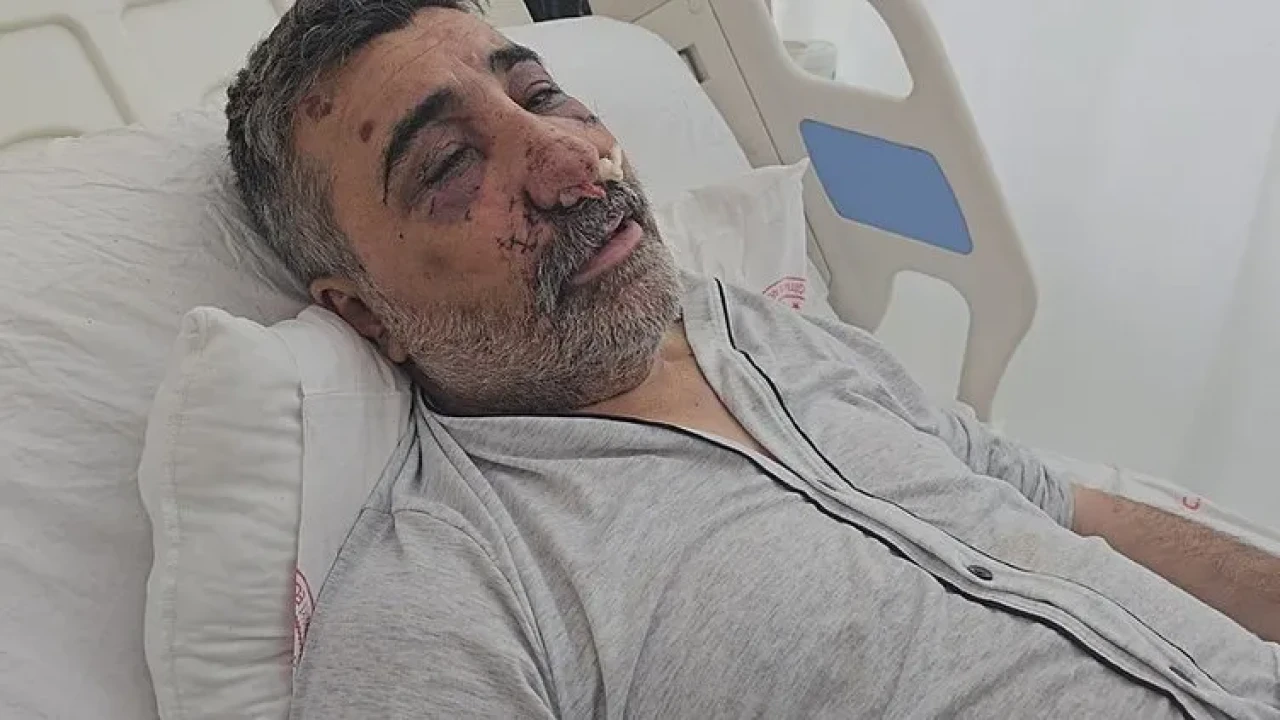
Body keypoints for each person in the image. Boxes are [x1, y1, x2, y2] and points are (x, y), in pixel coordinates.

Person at [225, 1, 1280, 716]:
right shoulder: (449, 597)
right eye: (451, 161)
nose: (573, 160)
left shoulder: (762, 329)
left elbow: (1046, 500)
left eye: (541, 95)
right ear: (364, 314)